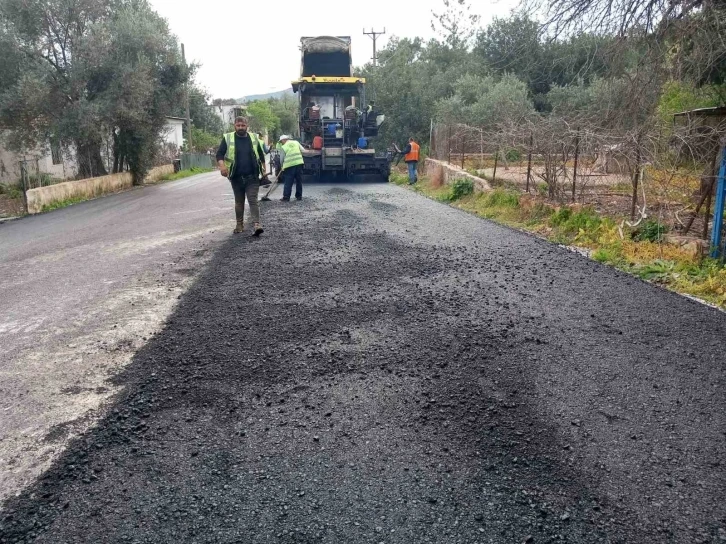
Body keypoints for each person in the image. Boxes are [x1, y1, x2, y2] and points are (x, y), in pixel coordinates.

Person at [216, 116, 266, 235]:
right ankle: (239, 225)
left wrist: (264, 170)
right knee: (239, 202)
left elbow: (260, 154)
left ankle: (256, 224)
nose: (240, 128)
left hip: (252, 176)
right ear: (234, 126)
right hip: (236, 177)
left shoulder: (254, 137)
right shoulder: (228, 138)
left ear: (247, 126)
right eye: (238, 126)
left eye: (243, 125)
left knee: (253, 200)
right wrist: (222, 166)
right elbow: (219, 154)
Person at [278, 134, 305, 201]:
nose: (281, 143)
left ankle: (286, 197)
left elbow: (281, 159)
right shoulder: (296, 142)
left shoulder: (284, 147)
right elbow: (303, 150)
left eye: (281, 141)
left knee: (288, 182)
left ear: (284, 140)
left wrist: (282, 166)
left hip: (289, 166)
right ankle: (299, 196)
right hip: (299, 164)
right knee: (299, 181)